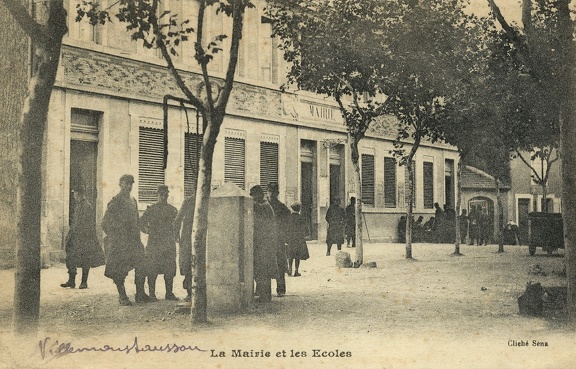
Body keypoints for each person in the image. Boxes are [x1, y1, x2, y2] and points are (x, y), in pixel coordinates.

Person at [102, 174, 149, 306]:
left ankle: (140, 294)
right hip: (121, 242)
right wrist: (117, 235)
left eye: (131, 184)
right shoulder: (115, 201)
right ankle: (122, 296)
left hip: (134, 241)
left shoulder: (133, 201)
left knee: (142, 264)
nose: (129, 186)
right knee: (119, 269)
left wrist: (145, 229)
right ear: (120, 184)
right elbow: (105, 223)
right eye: (126, 183)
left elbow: (137, 221)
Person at [60, 184, 105, 289]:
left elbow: (86, 225)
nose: (74, 195)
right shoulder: (78, 205)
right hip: (75, 237)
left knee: (85, 259)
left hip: (84, 238)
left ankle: (84, 282)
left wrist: (82, 237)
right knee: (70, 257)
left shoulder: (87, 206)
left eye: (75, 193)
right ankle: (71, 281)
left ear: (79, 193)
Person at [139, 185, 179, 302]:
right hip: (154, 244)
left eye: (165, 195)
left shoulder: (172, 210)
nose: (163, 197)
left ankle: (169, 293)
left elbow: (176, 225)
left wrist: (176, 236)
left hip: (168, 244)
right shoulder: (151, 210)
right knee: (152, 269)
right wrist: (147, 230)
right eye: (161, 195)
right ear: (157, 195)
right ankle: (152, 294)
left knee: (170, 270)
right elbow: (141, 223)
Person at [250, 185, 278, 303]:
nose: (252, 198)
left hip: (265, 244)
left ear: (259, 195)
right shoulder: (265, 205)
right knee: (261, 270)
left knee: (263, 270)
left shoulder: (265, 206)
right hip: (263, 243)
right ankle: (263, 294)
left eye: (253, 195)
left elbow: (257, 208)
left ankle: (265, 296)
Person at [267, 182, 290, 297]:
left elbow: (287, 221)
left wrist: (284, 235)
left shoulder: (282, 207)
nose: (271, 194)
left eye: (273, 192)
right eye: (269, 191)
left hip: (278, 239)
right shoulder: (265, 206)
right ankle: (263, 289)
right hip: (267, 240)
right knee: (265, 263)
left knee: (280, 264)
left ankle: (281, 289)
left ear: (277, 193)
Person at [174, 195, 195, 302]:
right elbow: (178, 219)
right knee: (187, 263)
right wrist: (176, 235)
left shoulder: (210, 199)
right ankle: (190, 292)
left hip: (201, 236)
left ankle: (192, 292)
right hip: (187, 236)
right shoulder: (188, 201)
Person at [286, 202, 310, 277]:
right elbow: (306, 229)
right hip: (299, 239)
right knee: (297, 256)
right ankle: (296, 271)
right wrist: (306, 234)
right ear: (299, 209)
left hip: (291, 238)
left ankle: (289, 269)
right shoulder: (301, 217)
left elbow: (285, 228)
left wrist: (286, 238)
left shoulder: (289, 217)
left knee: (290, 254)